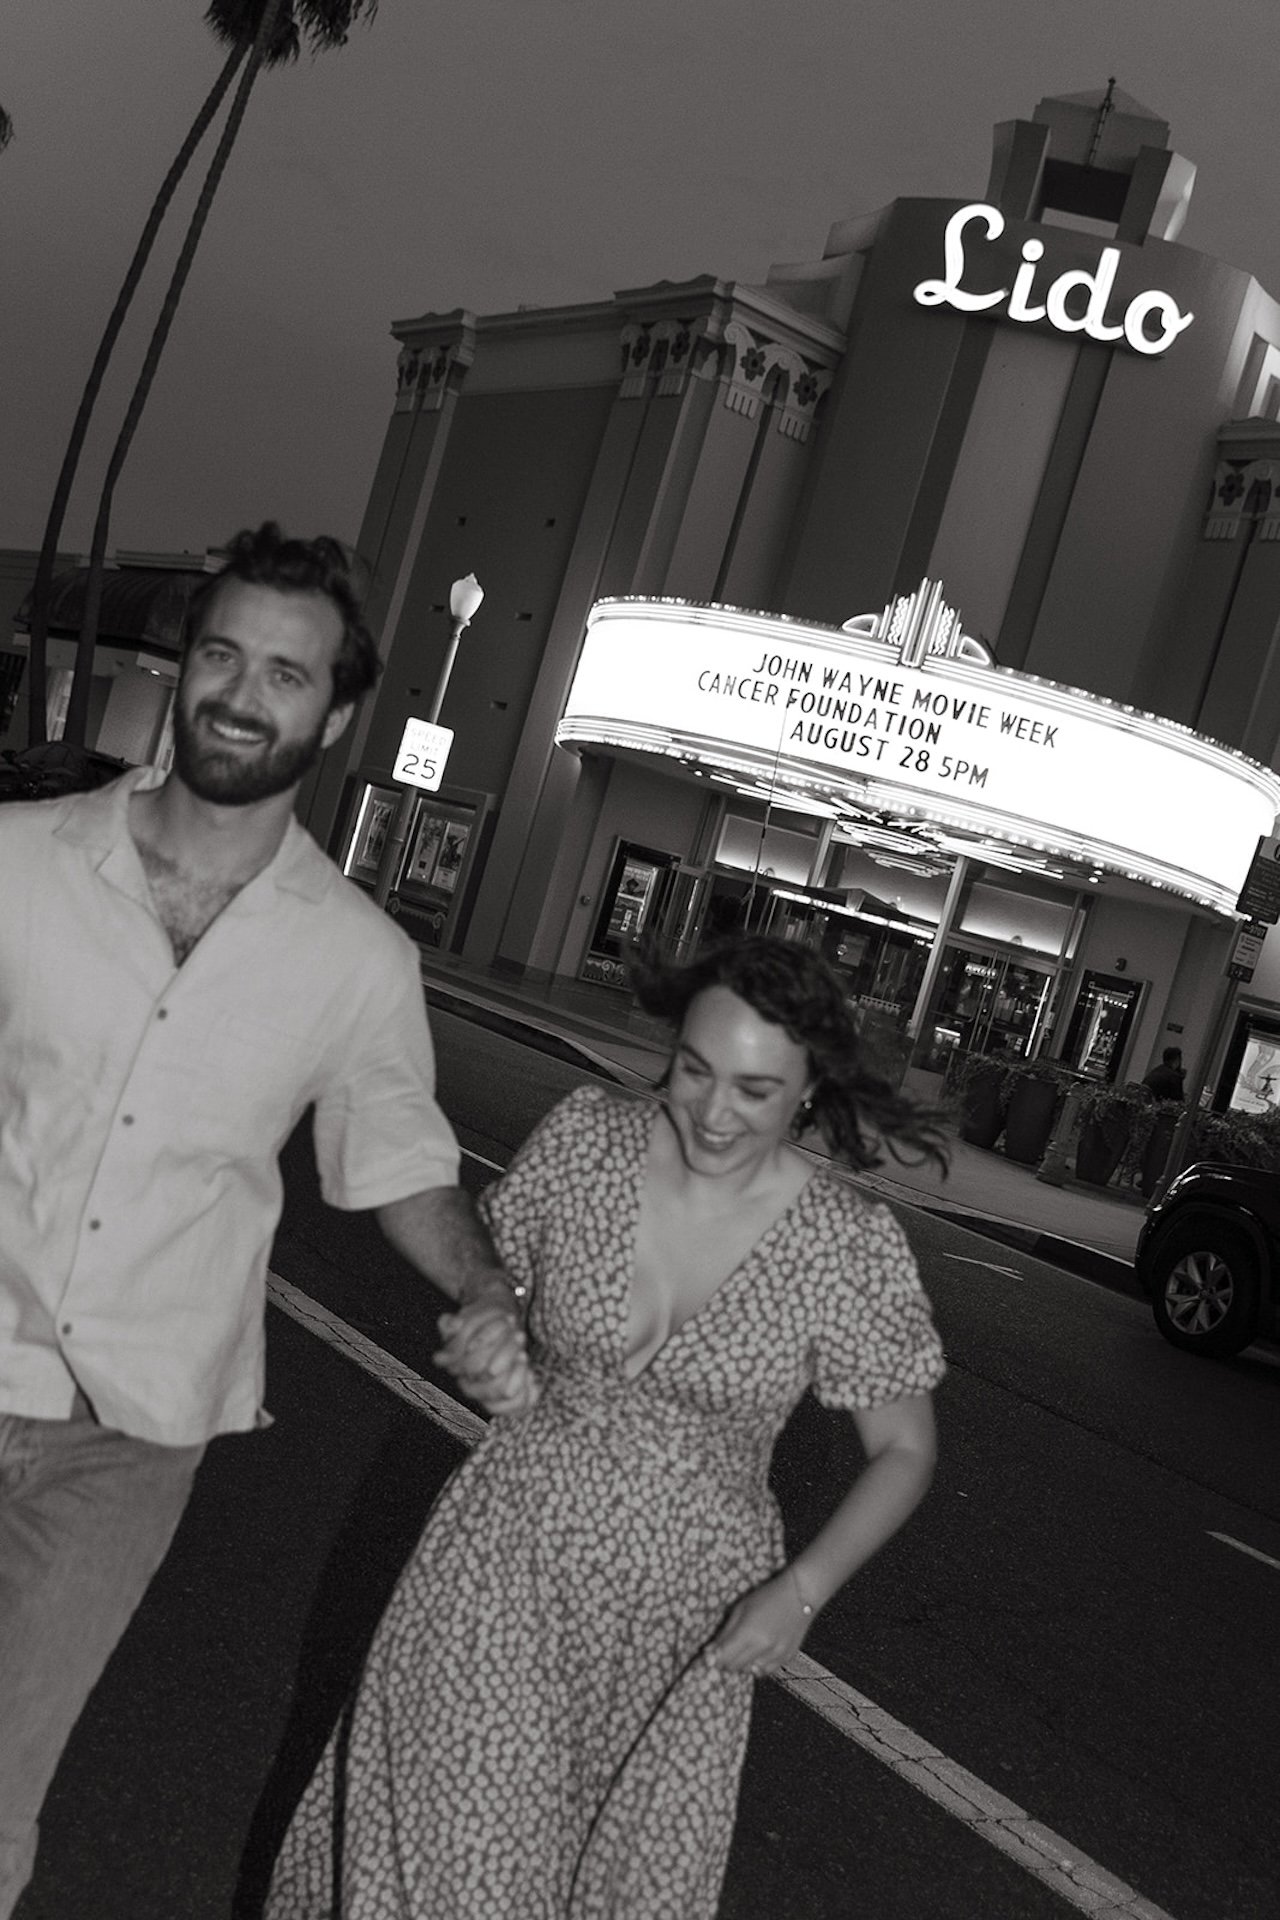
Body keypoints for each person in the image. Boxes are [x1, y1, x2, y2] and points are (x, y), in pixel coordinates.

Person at [0, 523, 523, 1918]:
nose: (243, 693)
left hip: (128, 1434)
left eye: (286, 675)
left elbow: (403, 1163)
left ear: (336, 713)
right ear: (187, 670)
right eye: (224, 656)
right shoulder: (18, 866)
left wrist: (486, 1297)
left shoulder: (355, 961)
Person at [263, 934, 949, 1919]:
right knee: (460, 1868)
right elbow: (489, 1279)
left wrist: (799, 1594)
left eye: (754, 1091)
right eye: (695, 1071)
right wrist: (487, 1328)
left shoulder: (844, 1245)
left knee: (615, 1890)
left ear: (806, 1090)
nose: (714, 1113)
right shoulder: (589, 1140)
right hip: (507, 1562)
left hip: (686, 1627)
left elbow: (905, 1450)